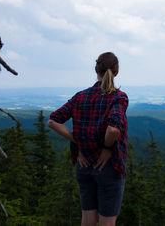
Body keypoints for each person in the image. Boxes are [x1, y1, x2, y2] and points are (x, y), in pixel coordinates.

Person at [47, 52, 128, 226]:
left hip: (84, 164)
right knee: (108, 221)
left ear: (96, 70)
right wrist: (106, 148)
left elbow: (52, 121)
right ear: (116, 72)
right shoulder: (118, 97)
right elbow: (113, 129)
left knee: (88, 219)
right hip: (108, 166)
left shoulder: (80, 96)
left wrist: (80, 143)